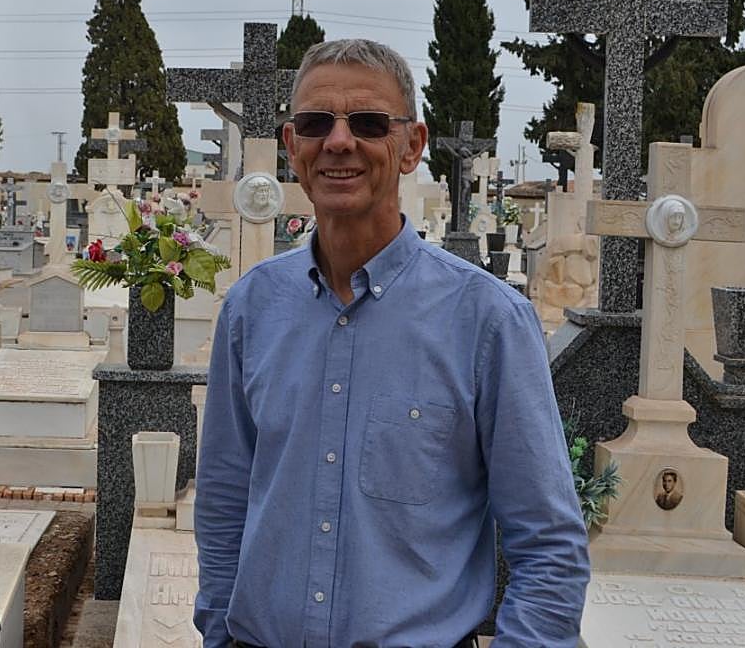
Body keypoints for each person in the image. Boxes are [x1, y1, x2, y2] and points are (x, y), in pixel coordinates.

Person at [194, 40, 589, 648]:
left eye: (370, 123)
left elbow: (548, 546)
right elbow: (224, 505)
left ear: (411, 147)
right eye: (315, 122)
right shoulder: (252, 310)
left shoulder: (486, 321)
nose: (339, 141)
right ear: (291, 145)